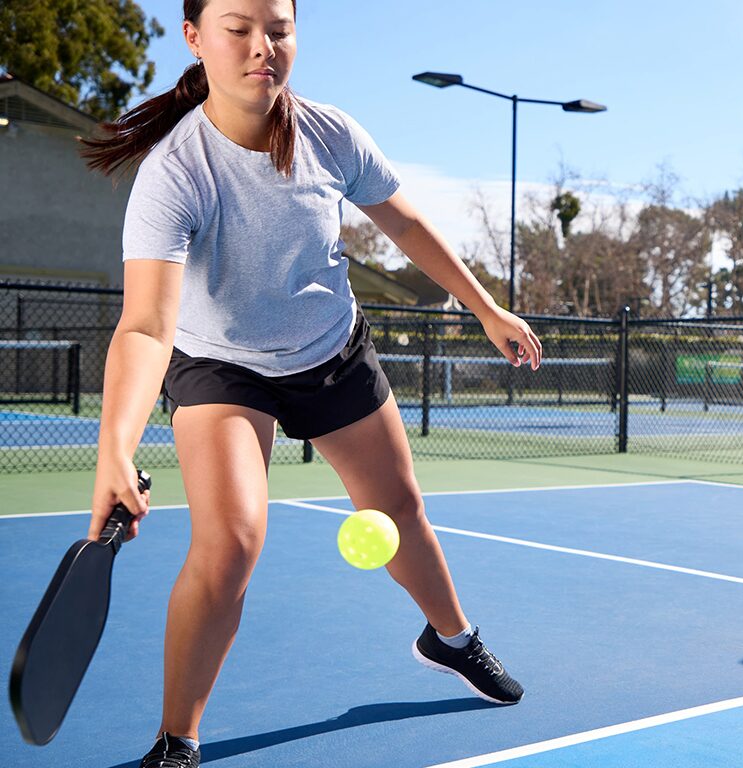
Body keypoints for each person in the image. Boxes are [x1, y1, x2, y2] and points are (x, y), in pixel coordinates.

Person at [80, 2, 541, 766]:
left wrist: (486, 308)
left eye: (279, 28)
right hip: (223, 364)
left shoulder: (331, 134)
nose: (262, 46)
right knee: (230, 545)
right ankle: (177, 738)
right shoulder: (175, 172)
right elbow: (148, 326)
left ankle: (452, 638)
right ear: (194, 38)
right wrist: (115, 447)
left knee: (400, 511)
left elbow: (404, 223)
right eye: (238, 28)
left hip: (330, 349)